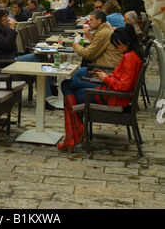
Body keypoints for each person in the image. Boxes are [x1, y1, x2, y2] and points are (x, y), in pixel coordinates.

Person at [58, 24, 144, 152]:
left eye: (117, 45)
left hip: (112, 97)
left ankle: (73, 134)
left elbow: (124, 87)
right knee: (67, 84)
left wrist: (106, 79)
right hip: (111, 92)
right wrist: (108, 76)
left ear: (127, 42)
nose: (115, 48)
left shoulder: (129, 58)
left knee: (68, 89)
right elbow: (122, 77)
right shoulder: (132, 54)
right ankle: (75, 131)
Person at [0, 8, 55, 110]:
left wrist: (10, 30)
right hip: (5, 63)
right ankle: (48, 94)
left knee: (41, 63)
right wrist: (12, 29)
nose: (7, 19)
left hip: (11, 58)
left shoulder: (0, 28)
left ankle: (46, 94)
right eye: (5, 16)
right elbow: (7, 45)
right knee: (40, 58)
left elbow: (10, 45)